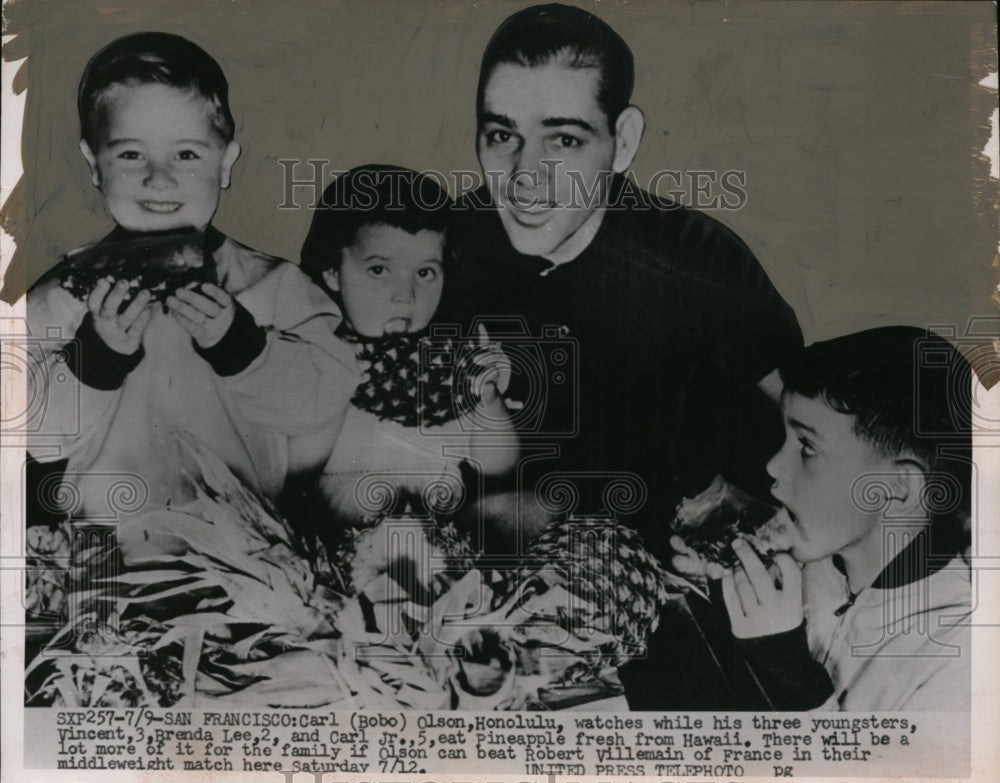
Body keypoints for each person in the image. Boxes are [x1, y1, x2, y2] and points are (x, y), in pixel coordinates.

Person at [442, 3, 803, 551]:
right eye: (501, 135)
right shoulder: (437, 250)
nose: (524, 178)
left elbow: (817, 425)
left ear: (624, 142)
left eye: (564, 140)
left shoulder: (697, 258)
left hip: (662, 567)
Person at [26, 32, 358, 524]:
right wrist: (92, 360)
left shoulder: (277, 285)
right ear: (94, 164)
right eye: (131, 154)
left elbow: (324, 403)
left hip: (248, 561)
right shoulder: (61, 292)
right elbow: (30, 433)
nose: (159, 179)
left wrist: (243, 348)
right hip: (99, 558)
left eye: (186, 155)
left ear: (224, 164)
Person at [707, 326, 972, 711]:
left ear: (897, 487)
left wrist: (787, 669)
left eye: (807, 447)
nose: (773, 465)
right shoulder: (814, 564)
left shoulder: (959, 658)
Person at [296, 165, 518, 530]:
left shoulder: (448, 360)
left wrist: (486, 399)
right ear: (333, 272)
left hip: (445, 535)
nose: (406, 295)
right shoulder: (314, 351)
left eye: (425, 273)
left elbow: (498, 469)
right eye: (380, 270)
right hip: (346, 534)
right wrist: (335, 386)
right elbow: (295, 475)